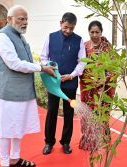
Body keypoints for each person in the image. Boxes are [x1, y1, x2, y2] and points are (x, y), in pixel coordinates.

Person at [0, 5, 56, 167]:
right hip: (7, 93)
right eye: (20, 18)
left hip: (23, 92)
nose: (24, 22)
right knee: (6, 129)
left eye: (26, 19)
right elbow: (14, 63)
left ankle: (15, 158)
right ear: (9, 19)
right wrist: (41, 68)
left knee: (18, 126)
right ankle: (4, 165)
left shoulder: (20, 37)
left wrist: (42, 67)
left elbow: (26, 60)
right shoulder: (3, 37)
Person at [40, 12, 86, 155]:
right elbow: (43, 57)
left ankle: (66, 142)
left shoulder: (79, 40)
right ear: (61, 23)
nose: (68, 31)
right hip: (53, 82)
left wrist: (72, 75)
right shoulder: (50, 37)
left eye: (71, 28)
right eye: (66, 27)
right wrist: (48, 69)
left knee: (68, 112)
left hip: (70, 83)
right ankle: (49, 142)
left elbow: (82, 62)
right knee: (52, 111)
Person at [79, 20, 117, 151]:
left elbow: (114, 67)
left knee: (102, 113)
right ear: (88, 32)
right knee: (88, 113)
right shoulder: (83, 46)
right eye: (92, 32)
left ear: (101, 32)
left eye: (97, 32)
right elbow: (80, 65)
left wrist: (104, 80)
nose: (94, 35)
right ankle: (89, 141)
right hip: (88, 86)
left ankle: (103, 141)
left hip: (104, 88)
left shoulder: (108, 47)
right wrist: (90, 79)